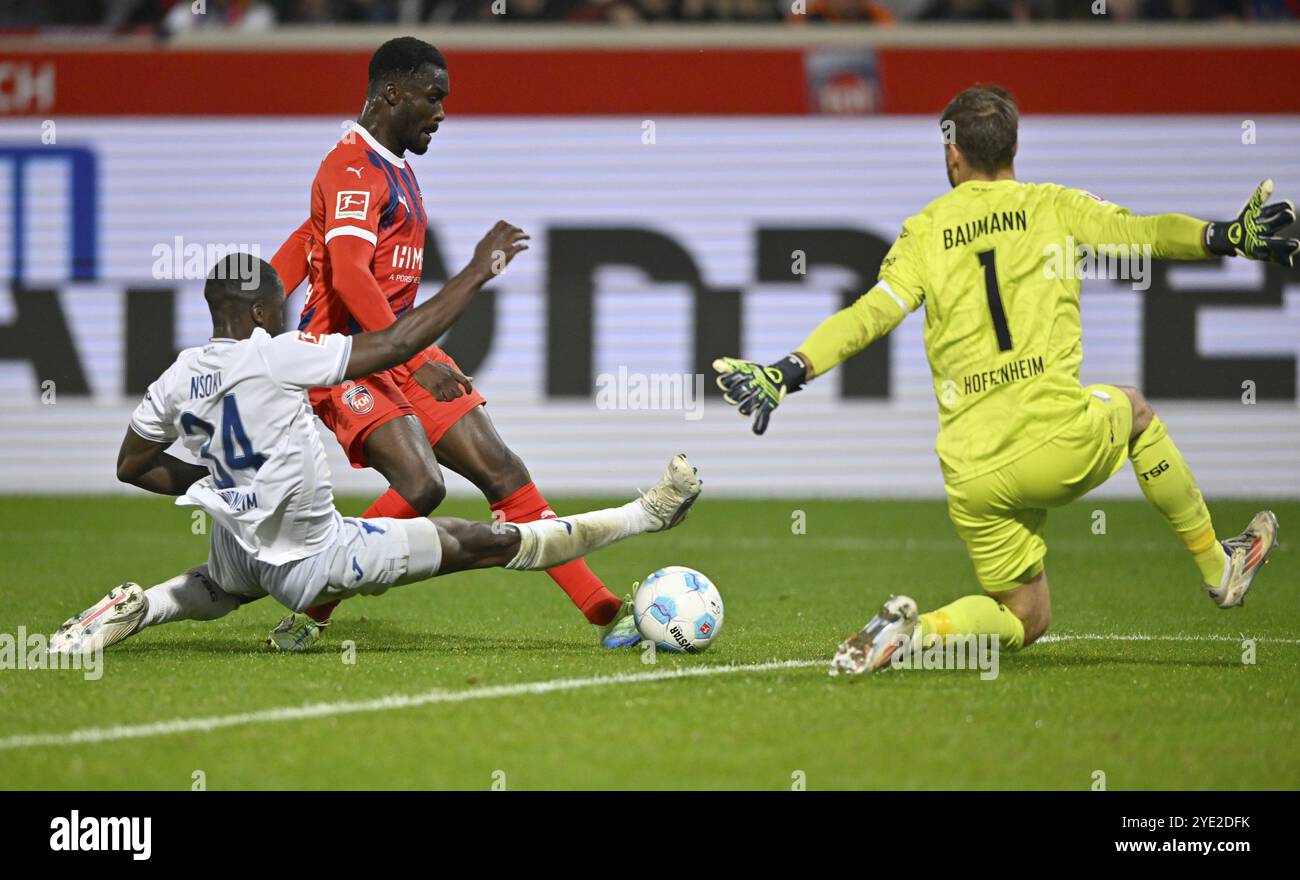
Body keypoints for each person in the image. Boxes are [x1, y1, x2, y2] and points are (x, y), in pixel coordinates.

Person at [713, 84, 1292, 676]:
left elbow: (869, 316)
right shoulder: (1054, 206)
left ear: (953, 154)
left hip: (973, 476)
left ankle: (917, 632)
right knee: (1135, 411)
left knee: (1020, 616)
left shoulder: (926, 231)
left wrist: (788, 371)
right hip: (1056, 445)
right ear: (1014, 146)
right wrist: (1223, 236)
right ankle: (1219, 569)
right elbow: (1144, 234)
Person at [50, 239, 701, 656]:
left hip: (238, 551)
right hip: (319, 557)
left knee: (217, 589)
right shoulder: (282, 356)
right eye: (279, 306)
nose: (288, 315)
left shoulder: (176, 377)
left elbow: (131, 466)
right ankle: (647, 513)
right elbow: (390, 345)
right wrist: (478, 270)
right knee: (490, 542)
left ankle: (136, 610)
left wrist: (214, 483)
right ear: (254, 315)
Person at [269, 36, 634, 652]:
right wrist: (252, 339)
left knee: (503, 471)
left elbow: (303, 243)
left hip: (397, 341)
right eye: (433, 97)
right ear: (392, 93)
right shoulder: (353, 166)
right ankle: (314, 603)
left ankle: (605, 613)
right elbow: (350, 273)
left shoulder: (393, 167)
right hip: (346, 357)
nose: (442, 112)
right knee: (422, 485)